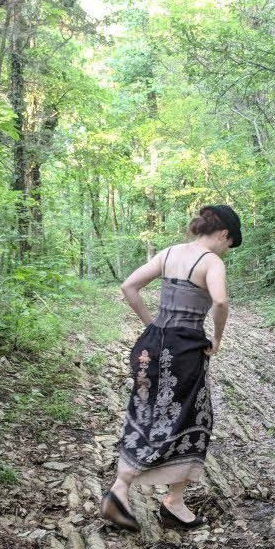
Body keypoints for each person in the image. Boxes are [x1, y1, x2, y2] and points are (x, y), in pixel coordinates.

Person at [100, 204, 241, 532]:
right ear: (222, 234)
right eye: (229, 244)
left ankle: (120, 491)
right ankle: (173, 502)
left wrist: (152, 325)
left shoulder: (168, 253)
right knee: (191, 418)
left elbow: (128, 287)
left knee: (146, 414)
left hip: (152, 346)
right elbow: (220, 302)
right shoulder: (211, 262)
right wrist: (217, 338)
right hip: (185, 351)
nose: (226, 250)